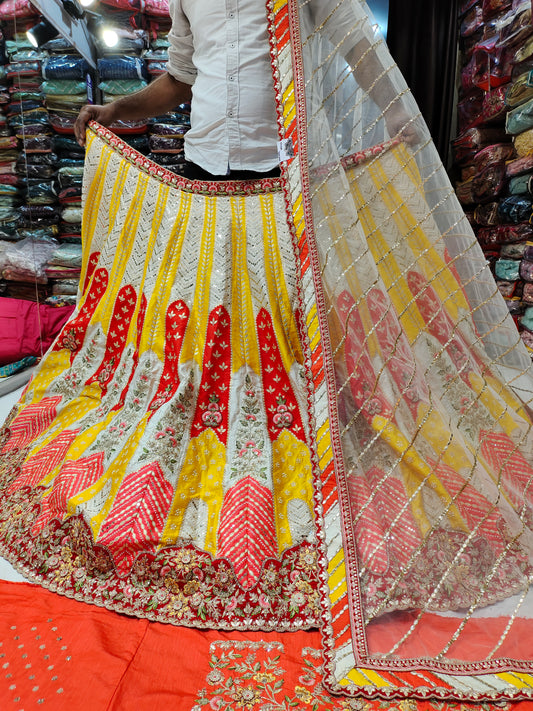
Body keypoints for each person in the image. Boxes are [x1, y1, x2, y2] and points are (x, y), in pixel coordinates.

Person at [1, 0, 533, 704]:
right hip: (206, 172)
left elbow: (360, 56)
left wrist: (408, 144)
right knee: (211, 329)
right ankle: (215, 432)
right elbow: (180, 80)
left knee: (289, 328)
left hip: (287, 177)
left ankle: (308, 432)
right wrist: (118, 109)